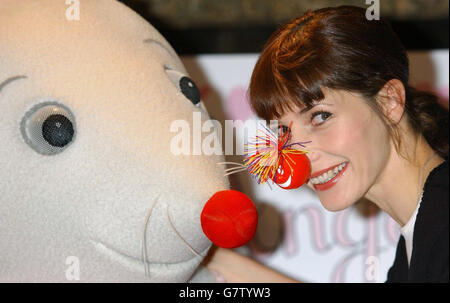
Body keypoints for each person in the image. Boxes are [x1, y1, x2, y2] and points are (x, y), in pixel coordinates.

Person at [204, 5, 449, 283]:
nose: (300, 157)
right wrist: (218, 261)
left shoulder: (441, 226)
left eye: (320, 116)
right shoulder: (421, 232)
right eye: (284, 131)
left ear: (389, 101)